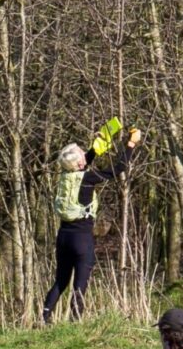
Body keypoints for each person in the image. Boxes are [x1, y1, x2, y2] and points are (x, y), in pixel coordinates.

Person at [43, 125, 143, 324]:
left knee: (60, 281)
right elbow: (118, 169)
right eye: (81, 153)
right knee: (80, 284)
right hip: (81, 239)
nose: (84, 153)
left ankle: (44, 317)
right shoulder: (87, 179)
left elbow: (86, 159)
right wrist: (131, 144)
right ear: (79, 163)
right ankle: (75, 322)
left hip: (63, 237)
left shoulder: (65, 176)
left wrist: (103, 140)